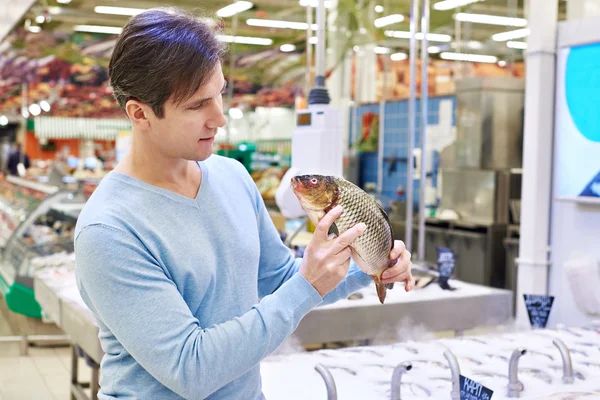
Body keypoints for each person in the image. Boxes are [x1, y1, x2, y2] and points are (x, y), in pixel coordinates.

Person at [74, 7, 414, 400]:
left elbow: (280, 279)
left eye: (219, 94)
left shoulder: (232, 177)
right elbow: (191, 368)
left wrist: (369, 266)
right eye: (197, 105)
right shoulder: (110, 230)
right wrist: (307, 284)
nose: (219, 118)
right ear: (140, 113)